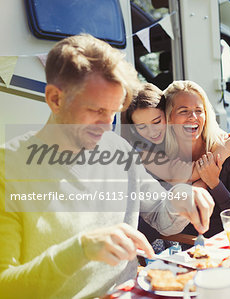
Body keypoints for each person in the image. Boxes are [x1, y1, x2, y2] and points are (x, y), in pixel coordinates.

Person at [0, 34, 214, 299]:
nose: (107, 125)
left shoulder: (118, 151)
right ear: (55, 99)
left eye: (113, 112)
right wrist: (80, 249)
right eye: (96, 110)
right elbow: (5, 287)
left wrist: (180, 197)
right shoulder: (7, 169)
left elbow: (161, 214)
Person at [122, 83, 230, 249]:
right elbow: (186, 173)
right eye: (141, 127)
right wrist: (222, 153)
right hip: (157, 234)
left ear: (167, 116)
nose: (152, 131)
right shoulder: (143, 153)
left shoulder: (187, 142)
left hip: (197, 234)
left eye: (157, 121)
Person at [164, 80, 230, 238]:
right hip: (181, 246)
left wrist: (214, 183)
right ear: (169, 118)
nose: (193, 117)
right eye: (183, 111)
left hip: (226, 243)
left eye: (198, 110)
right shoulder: (162, 157)